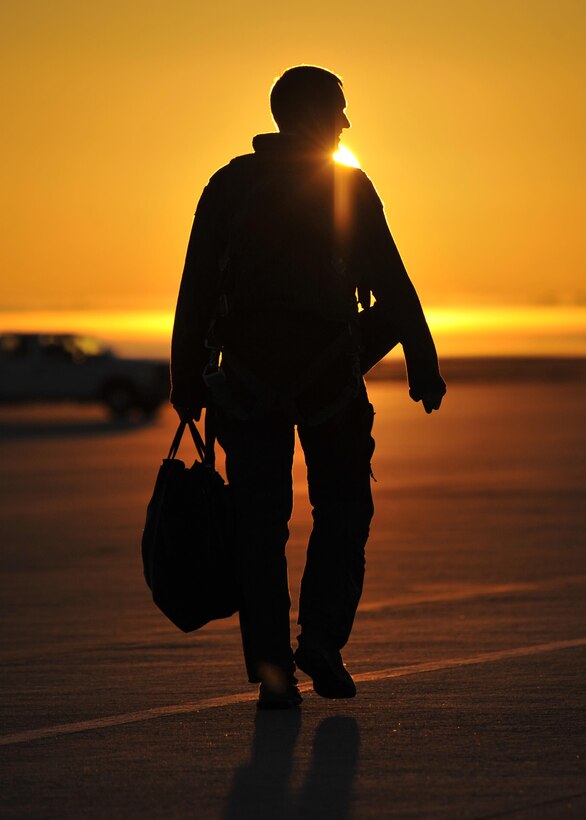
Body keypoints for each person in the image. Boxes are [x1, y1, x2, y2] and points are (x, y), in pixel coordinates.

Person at [171, 65, 446, 709]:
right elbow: (392, 280)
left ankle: (272, 668)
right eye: (340, 110)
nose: (347, 123)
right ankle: (321, 638)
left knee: (258, 528)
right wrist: (422, 361)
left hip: (244, 388)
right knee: (344, 510)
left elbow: (196, 293)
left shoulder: (229, 186)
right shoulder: (346, 186)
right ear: (317, 115)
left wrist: (187, 378)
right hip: (330, 386)